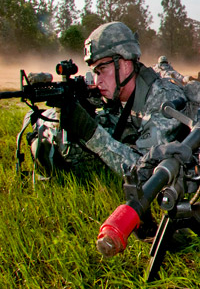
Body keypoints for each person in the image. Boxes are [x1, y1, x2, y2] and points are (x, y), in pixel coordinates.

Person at [50, 22, 188, 177]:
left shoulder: (164, 99)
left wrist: (90, 131)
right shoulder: (115, 96)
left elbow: (145, 171)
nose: (97, 81)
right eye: (94, 72)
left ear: (125, 65)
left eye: (102, 70)